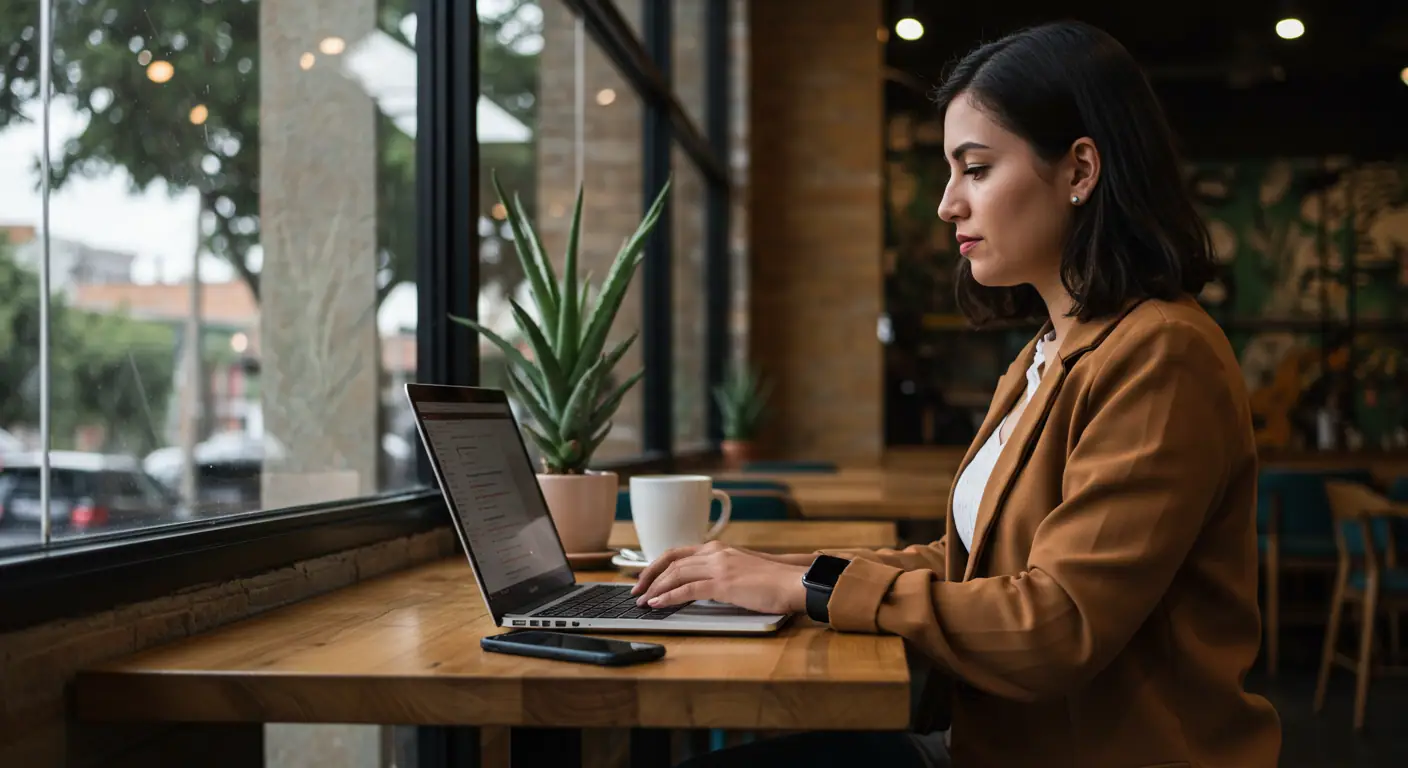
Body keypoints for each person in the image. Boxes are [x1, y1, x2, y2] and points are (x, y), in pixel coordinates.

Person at [632, 20, 1282, 768]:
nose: (947, 204)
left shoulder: (1162, 353)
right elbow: (967, 562)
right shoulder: (1045, 353)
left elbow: (1056, 623)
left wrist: (804, 589)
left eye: (974, 169)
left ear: (1079, 170)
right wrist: (781, 570)